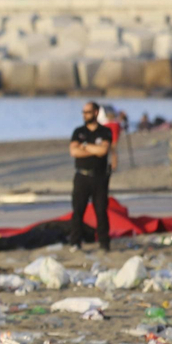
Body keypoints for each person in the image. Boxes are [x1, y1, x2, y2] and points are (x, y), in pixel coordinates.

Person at [69, 101, 113, 251]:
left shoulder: (105, 131)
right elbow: (74, 151)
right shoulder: (78, 131)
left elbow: (103, 151)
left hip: (99, 177)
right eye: (83, 112)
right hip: (82, 176)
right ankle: (75, 242)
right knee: (78, 210)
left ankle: (104, 243)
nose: (85, 115)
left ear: (95, 113)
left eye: (88, 112)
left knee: (101, 211)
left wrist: (85, 146)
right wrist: (94, 150)